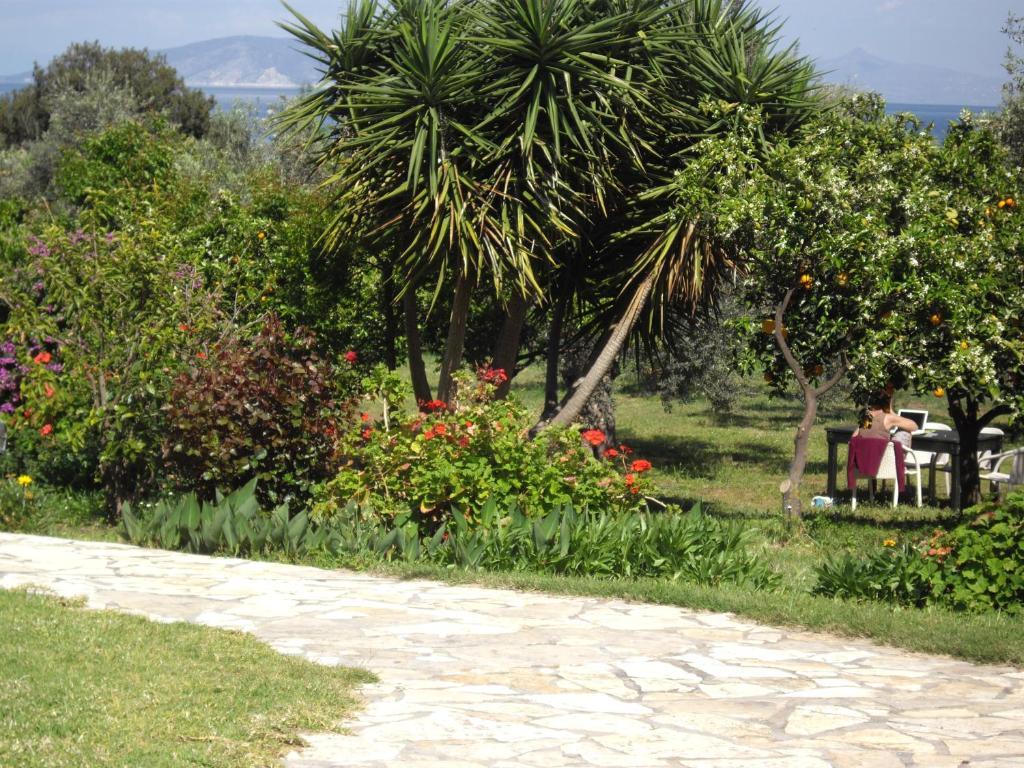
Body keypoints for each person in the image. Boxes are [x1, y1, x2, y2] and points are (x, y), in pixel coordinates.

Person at [854, 390, 919, 442]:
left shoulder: (867, 417)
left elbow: (854, 437)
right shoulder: (888, 418)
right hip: (881, 456)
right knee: (906, 432)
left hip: (864, 454)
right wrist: (890, 411)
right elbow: (914, 426)